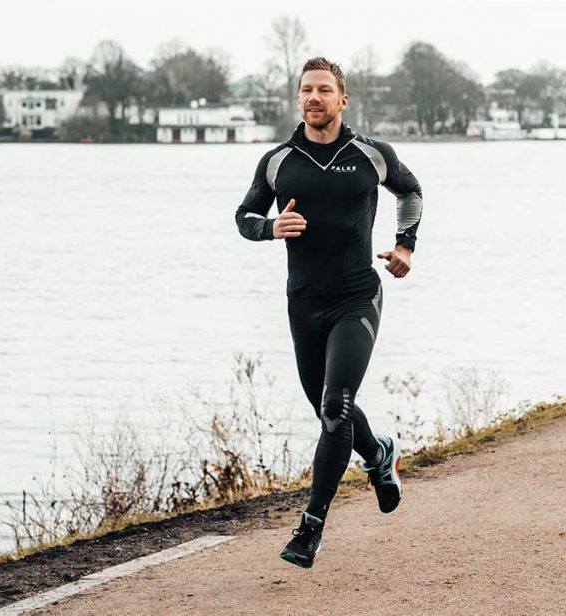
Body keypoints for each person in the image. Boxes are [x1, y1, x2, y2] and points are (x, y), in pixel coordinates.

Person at [234, 56, 424, 569]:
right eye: (306, 91)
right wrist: (270, 228)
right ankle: (380, 453)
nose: (314, 98)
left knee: (337, 405)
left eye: (324, 90)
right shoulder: (278, 161)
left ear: (343, 99)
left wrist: (405, 245)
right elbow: (244, 215)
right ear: (299, 100)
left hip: (358, 296)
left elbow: (411, 192)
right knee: (329, 410)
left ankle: (311, 527)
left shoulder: (371, 155)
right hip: (304, 304)